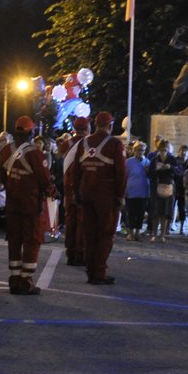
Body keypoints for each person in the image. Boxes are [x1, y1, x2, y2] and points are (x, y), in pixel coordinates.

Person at [0, 116, 53, 295]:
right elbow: (44, 179)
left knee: (14, 240)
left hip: (12, 202)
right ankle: (26, 280)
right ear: (31, 132)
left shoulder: (6, 150)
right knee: (31, 241)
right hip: (30, 204)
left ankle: (14, 278)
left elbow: (2, 176)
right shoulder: (35, 153)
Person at [76, 112, 126, 285]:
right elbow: (121, 173)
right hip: (106, 196)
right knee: (105, 234)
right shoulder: (114, 144)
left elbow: (76, 169)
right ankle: (99, 272)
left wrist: (77, 192)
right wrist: (120, 195)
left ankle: (90, 271)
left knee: (89, 235)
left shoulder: (84, 142)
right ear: (110, 125)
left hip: (86, 194)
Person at [60, 115, 90, 265]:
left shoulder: (66, 143)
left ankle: (70, 252)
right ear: (87, 127)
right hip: (81, 185)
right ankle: (79, 253)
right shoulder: (88, 143)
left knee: (70, 221)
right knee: (81, 222)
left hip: (67, 186)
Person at [147, 141, 178, 242]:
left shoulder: (172, 159)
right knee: (156, 212)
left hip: (168, 187)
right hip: (156, 187)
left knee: (165, 212)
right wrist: (158, 169)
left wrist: (170, 167)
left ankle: (163, 234)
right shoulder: (154, 159)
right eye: (162, 150)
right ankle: (154, 233)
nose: (163, 152)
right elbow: (149, 174)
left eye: (165, 150)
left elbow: (179, 171)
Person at [123, 141, 149, 238]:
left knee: (140, 213)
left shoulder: (147, 162)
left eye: (142, 150)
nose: (140, 152)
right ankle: (131, 232)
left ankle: (138, 231)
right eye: (138, 150)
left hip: (143, 191)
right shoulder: (128, 162)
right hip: (131, 191)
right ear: (134, 150)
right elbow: (125, 176)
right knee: (131, 212)